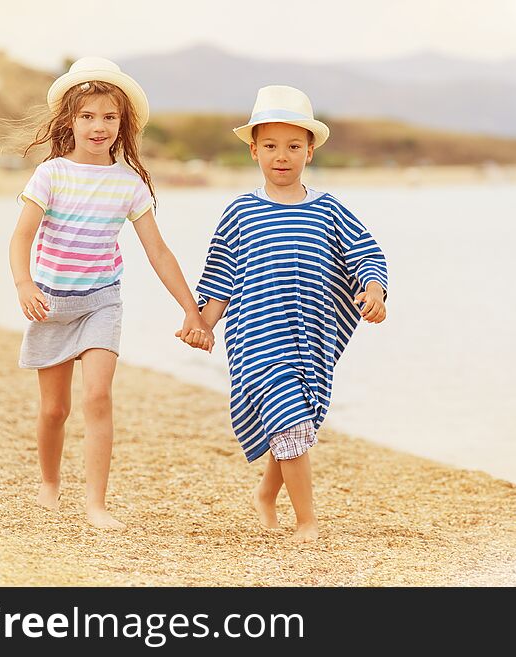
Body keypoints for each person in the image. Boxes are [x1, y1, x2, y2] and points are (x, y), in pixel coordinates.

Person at [9, 57, 213, 530]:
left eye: (109, 117)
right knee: (54, 409)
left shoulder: (129, 183)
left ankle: (96, 504)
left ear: (123, 125)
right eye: (88, 116)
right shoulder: (51, 175)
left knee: (98, 397)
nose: (98, 126)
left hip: (101, 301)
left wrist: (192, 310)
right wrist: (23, 284)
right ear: (69, 121)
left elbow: (158, 251)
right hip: (51, 303)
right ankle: (49, 483)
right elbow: (21, 238)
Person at [187, 85, 388, 542]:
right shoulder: (240, 212)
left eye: (294, 146)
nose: (283, 156)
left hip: (311, 339)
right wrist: (202, 323)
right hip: (256, 340)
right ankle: (307, 521)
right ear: (254, 151)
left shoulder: (328, 210)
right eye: (271, 146)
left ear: (310, 152)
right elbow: (220, 275)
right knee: (289, 416)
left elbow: (366, 255)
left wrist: (374, 292)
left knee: (293, 422)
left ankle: (265, 494)